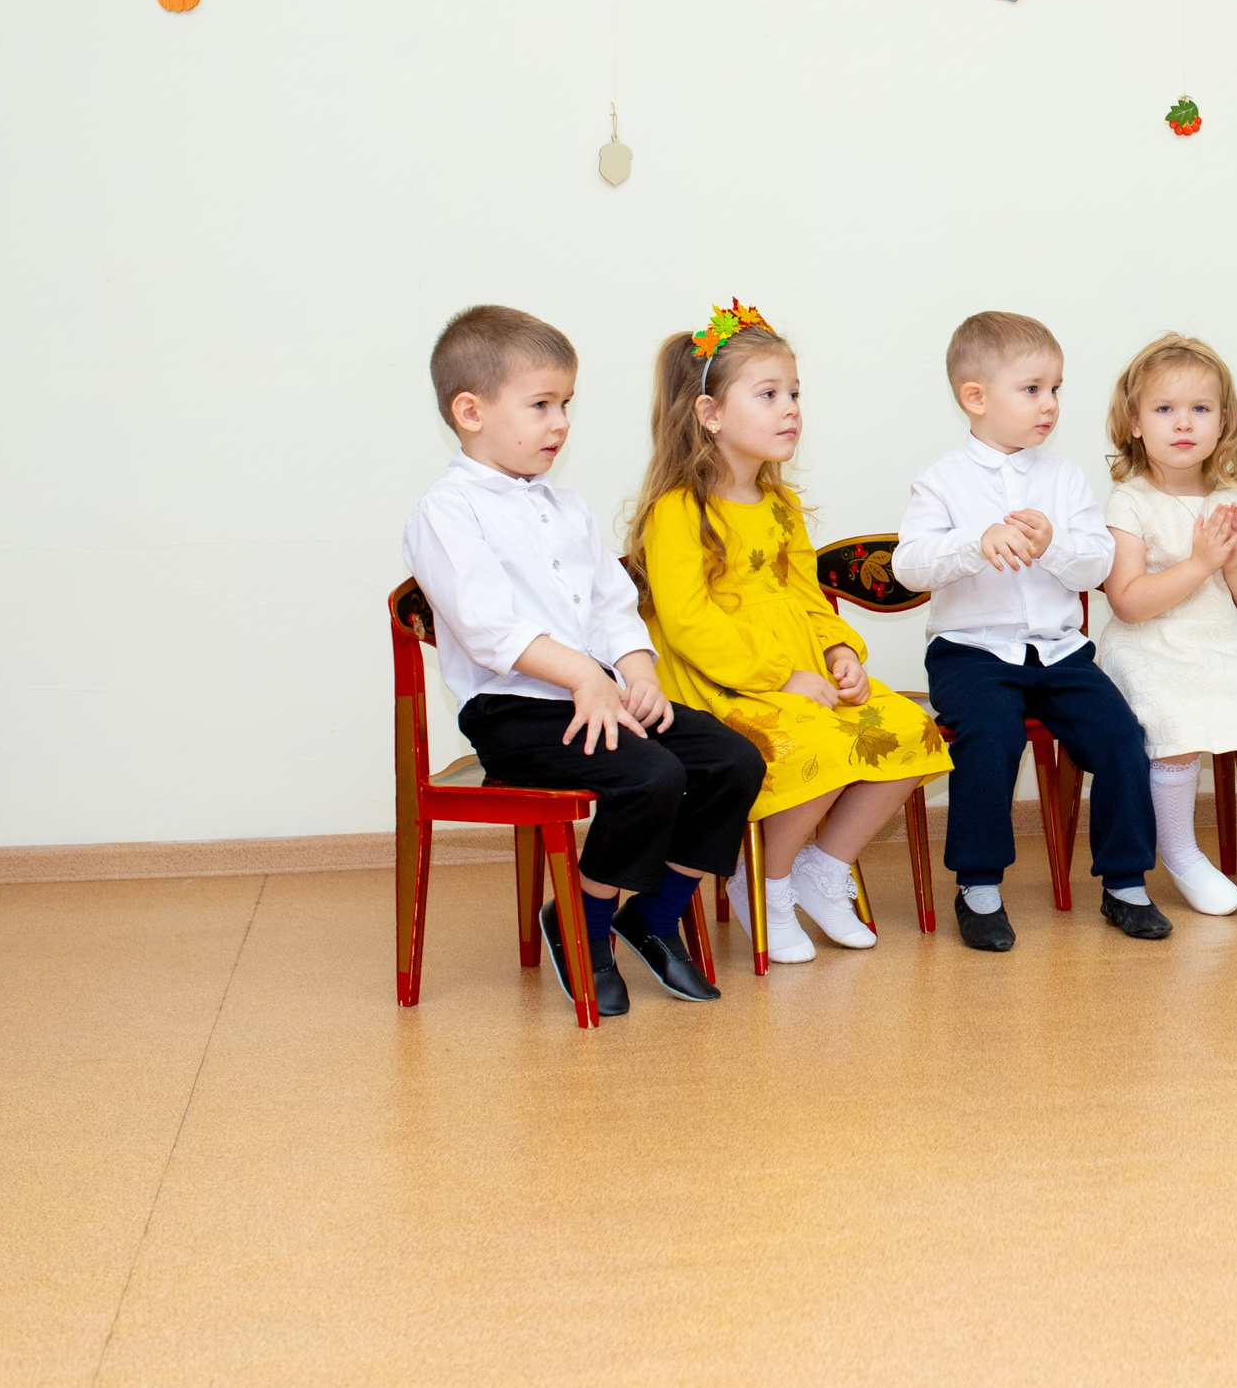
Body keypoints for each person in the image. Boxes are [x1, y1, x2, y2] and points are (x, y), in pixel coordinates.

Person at [402, 304, 762, 1018]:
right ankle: (581, 932)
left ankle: (650, 917)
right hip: (513, 713)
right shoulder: (446, 512)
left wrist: (638, 672)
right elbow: (485, 628)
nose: (560, 422)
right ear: (470, 410)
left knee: (732, 760)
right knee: (651, 775)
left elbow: (611, 604)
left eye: (566, 404)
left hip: (596, 693)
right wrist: (582, 677)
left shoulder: (570, 509)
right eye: (541, 405)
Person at [628, 302, 953, 964]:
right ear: (710, 415)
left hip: (802, 673)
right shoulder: (677, 513)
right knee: (821, 745)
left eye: (795, 394)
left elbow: (807, 596)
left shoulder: (780, 506)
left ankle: (823, 870)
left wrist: (840, 651)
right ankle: (765, 886)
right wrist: (782, 678)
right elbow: (690, 626)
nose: (791, 409)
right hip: (724, 688)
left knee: (910, 732)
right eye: (769, 394)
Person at [895, 312, 1169, 949]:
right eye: (1033, 389)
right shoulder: (940, 481)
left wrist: (1052, 545)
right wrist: (974, 542)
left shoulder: (1065, 478)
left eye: (1056, 389)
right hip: (970, 650)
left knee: (1123, 738)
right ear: (976, 397)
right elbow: (909, 567)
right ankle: (979, 888)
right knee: (989, 737)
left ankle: (1126, 883)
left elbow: (1099, 562)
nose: (1049, 405)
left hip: (1058, 650)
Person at [1096, 334, 1237, 923]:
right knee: (1176, 724)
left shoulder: (1234, 502)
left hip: (1224, 640)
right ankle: (1183, 855)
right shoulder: (1129, 502)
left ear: (1224, 422)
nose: (1183, 423)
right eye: (1164, 410)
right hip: (1149, 644)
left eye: (1200, 409)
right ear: (1135, 422)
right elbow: (1129, 603)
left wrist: (1235, 556)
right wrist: (1199, 562)